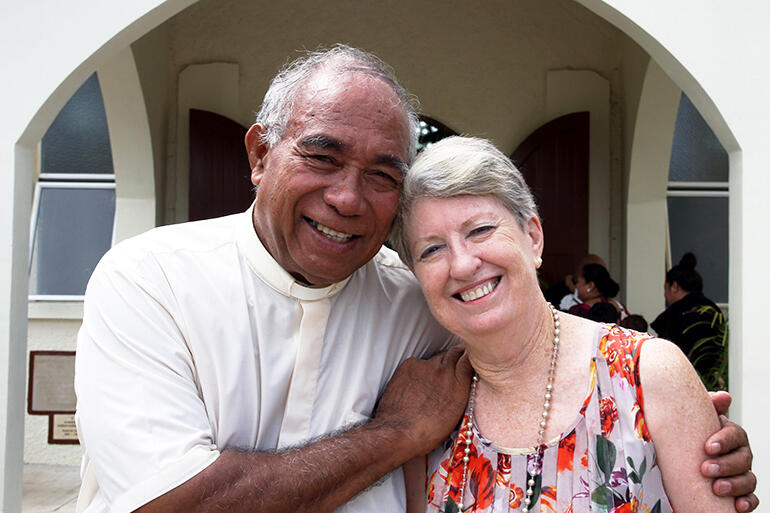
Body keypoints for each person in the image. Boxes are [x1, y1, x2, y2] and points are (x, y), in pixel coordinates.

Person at [74, 46, 757, 513]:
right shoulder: (149, 282)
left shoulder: (419, 305)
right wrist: (397, 431)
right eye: (323, 156)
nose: (347, 197)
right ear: (259, 153)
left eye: (381, 176)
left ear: (535, 234)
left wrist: (688, 426)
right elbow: (175, 501)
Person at [389, 136, 753, 512]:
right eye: (432, 249)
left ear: (532, 237)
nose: (462, 265)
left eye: (479, 230)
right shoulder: (427, 413)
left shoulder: (645, 376)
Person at [651, 252, 727, 386]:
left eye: (665, 289)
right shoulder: (713, 312)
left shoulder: (674, 316)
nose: (665, 295)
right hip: (714, 381)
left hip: (680, 381)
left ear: (674, 287)